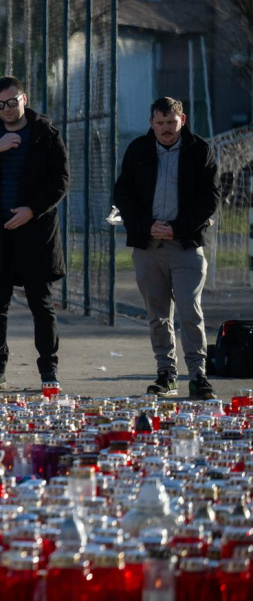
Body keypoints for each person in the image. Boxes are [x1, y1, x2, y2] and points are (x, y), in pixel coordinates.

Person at [0, 76, 69, 391]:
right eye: (0, 105)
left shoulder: (45, 134)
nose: (7, 109)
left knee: (42, 304)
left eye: (12, 102)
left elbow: (60, 181)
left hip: (35, 234)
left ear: (24, 97)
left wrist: (31, 210)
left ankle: (49, 372)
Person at [113, 97, 219, 399]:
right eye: (159, 123)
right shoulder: (138, 150)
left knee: (189, 310)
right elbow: (123, 193)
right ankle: (165, 374)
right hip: (149, 245)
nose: (165, 129)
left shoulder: (199, 150)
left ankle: (198, 375)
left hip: (185, 245)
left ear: (181, 120)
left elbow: (211, 196)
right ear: (151, 123)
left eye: (171, 122)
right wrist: (146, 224)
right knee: (157, 314)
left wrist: (180, 227)